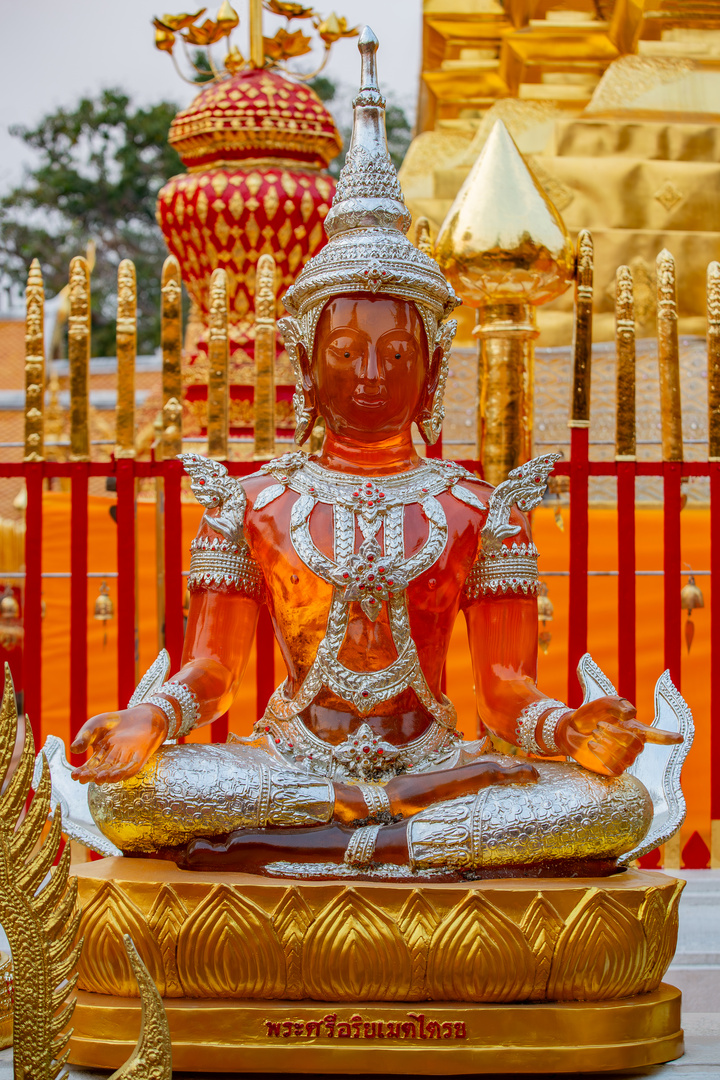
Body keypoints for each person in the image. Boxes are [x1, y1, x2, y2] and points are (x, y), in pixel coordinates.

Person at [71, 28, 680, 878]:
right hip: (289, 766)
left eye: (397, 355)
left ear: (431, 371)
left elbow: (505, 687)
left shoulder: (475, 509)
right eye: (346, 351)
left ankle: (313, 845)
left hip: (436, 760)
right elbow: (212, 671)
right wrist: (154, 721)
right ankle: (376, 827)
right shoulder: (252, 503)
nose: (369, 375)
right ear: (305, 364)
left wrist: (570, 727)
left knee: (613, 805)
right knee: (129, 798)